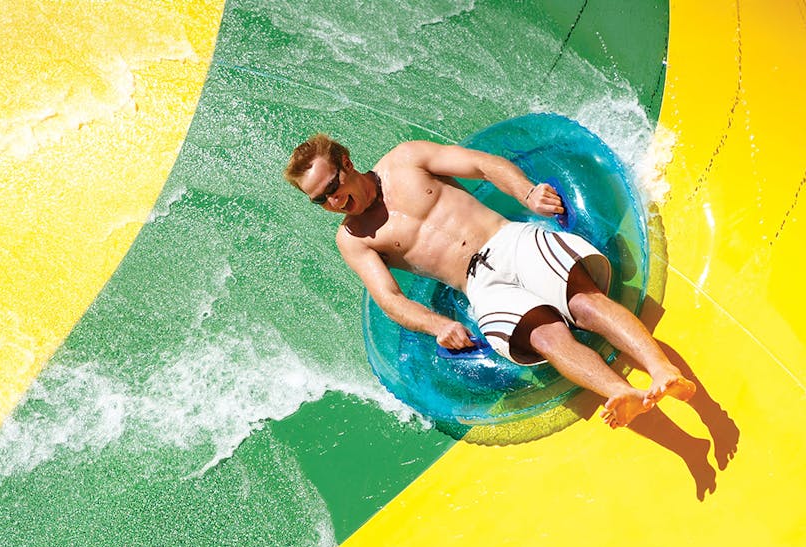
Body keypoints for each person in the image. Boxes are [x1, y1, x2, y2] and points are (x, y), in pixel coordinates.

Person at [283, 133, 695, 428]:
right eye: (320, 200)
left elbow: (482, 164)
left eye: (333, 186)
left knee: (584, 303)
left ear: (347, 163)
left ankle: (662, 370)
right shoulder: (352, 239)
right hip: (478, 286)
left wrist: (527, 193)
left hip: (508, 239)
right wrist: (438, 325)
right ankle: (620, 393)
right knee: (546, 337)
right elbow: (389, 298)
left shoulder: (405, 160)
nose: (333, 201)